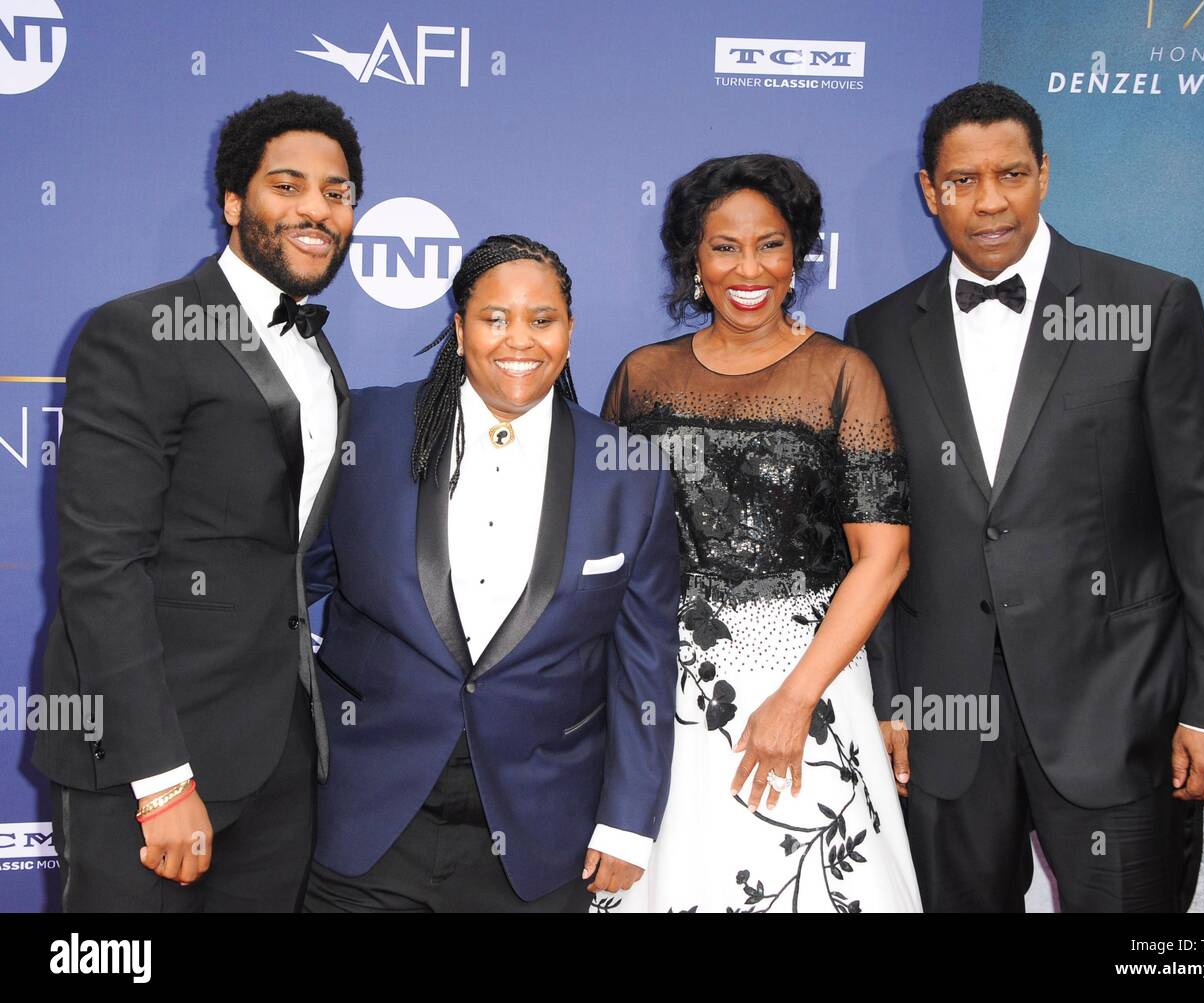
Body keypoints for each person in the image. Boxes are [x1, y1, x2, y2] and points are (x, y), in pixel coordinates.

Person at [844, 82, 1204, 912]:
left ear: (1045, 174)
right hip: (945, 724)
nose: (989, 200)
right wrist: (887, 696)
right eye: (962, 181)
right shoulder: (880, 332)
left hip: (1119, 711)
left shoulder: (1148, 307)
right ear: (930, 191)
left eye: (1010, 173)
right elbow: (878, 531)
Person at [33, 91, 362, 911]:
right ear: (232, 202)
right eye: (287, 186)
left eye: (338, 191)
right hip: (151, 760)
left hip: (280, 758)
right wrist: (160, 778)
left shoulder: (319, 354)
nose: (316, 209)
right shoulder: (138, 330)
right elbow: (103, 565)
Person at [301, 234, 679, 912]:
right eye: (494, 317)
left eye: (543, 319)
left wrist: (629, 819)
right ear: (457, 327)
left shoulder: (630, 471)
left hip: (540, 838)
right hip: (367, 818)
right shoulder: (368, 428)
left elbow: (643, 660)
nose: (520, 340)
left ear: (569, 330)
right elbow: (290, 594)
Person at [599, 154, 922, 912]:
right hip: (663, 682)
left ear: (798, 253)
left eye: (770, 244)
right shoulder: (642, 375)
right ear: (693, 258)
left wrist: (794, 698)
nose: (750, 267)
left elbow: (886, 556)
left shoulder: (845, 373)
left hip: (805, 675)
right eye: (724, 246)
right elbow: (603, 541)